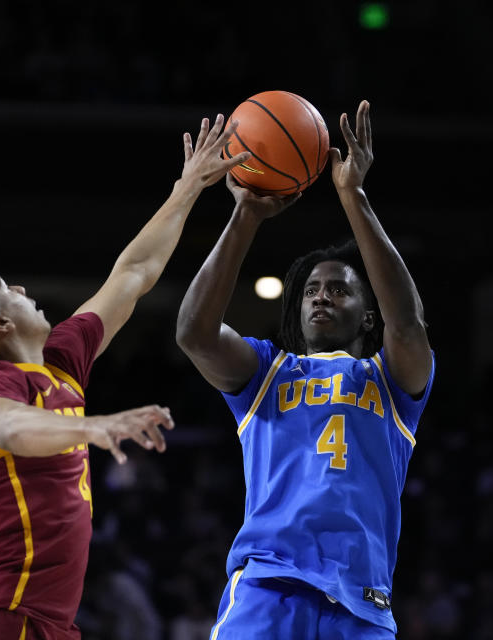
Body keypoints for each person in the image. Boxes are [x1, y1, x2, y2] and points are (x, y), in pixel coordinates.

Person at [0, 114, 250, 640]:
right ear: (0, 323)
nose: (22, 287)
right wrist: (92, 428)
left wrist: (188, 187)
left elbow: (133, 273)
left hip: (45, 625)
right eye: (5, 287)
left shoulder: (62, 363)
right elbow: (9, 427)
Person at [176, 100, 435, 638]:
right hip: (269, 588)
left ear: (367, 315)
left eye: (338, 290)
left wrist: (354, 196)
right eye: (312, 291)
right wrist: (246, 214)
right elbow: (195, 333)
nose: (320, 298)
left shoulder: (392, 383)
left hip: (362, 603)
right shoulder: (269, 372)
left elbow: (407, 324)